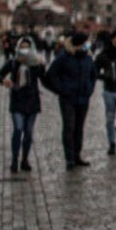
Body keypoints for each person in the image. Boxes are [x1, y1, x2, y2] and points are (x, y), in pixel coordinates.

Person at [43, 32, 96, 169]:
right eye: (86, 43)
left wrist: (90, 89)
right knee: (69, 127)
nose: (88, 45)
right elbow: (50, 76)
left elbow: (93, 75)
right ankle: (69, 158)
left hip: (83, 98)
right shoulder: (64, 58)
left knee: (79, 128)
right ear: (79, 44)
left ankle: (77, 155)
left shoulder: (88, 58)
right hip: (68, 98)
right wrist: (61, 89)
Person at [0, 37, 46, 172]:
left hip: (32, 101)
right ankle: (14, 160)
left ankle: (25, 160)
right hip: (17, 100)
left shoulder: (35, 64)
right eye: (22, 46)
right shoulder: (13, 63)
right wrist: (3, 80)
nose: (24, 49)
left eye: (27, 46)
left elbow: (44, 77)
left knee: (28, 132)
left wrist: (42, 64)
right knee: (18, 129)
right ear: (18, 48)